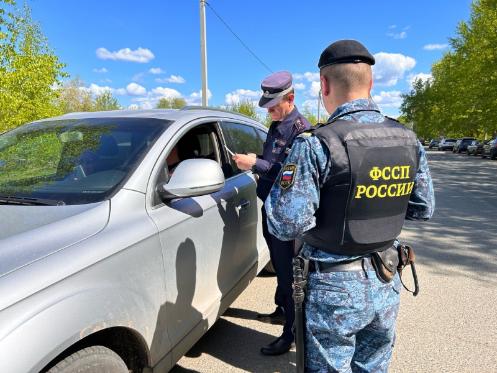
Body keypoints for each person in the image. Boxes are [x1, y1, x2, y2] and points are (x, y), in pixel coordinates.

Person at [265, 40, 435, 372]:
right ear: (371, 82)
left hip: (334, 288)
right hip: (387, 278)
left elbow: (285, 224)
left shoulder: (316, 144)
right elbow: (422, 207)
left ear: (324, 85)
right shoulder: (407, 139)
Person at [232, 70, 311, 356]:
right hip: (272, 210)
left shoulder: (301, 131)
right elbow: (273, 160)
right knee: (280, 270)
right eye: (267, 107)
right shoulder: (277, 125)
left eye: (274, 106)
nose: (270, 111)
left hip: (288, 218)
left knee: (291, 277)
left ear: (291, 98)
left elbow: (291, 176)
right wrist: (258, 161)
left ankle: (290, 334)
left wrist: (254, 164)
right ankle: (282, 310)